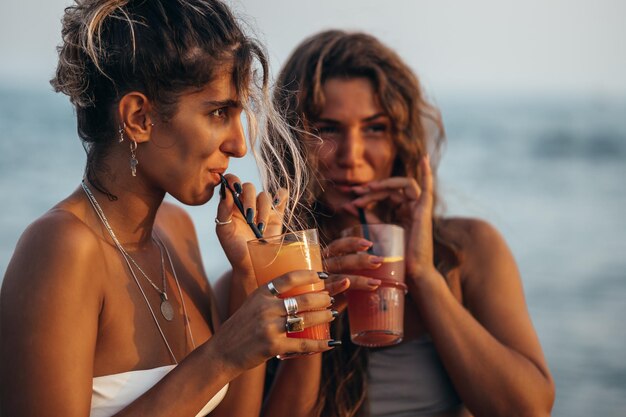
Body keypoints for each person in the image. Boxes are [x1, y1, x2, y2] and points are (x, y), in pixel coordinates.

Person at [0, 2, 337, 416]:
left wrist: (248, 276)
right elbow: (217, 365)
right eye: (218, 112)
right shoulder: (61, 248)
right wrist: (221, 355)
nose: (239, 145)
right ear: (139, 118)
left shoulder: (177, 231)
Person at [262, 30, 556, 417]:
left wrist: (423, 275)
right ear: (293, 141)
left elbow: (528, 410)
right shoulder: (267, 270)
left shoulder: (466, 249)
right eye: (327, 129)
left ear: (402, 140)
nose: (352, 155)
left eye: (374, 128)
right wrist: (313, 316)